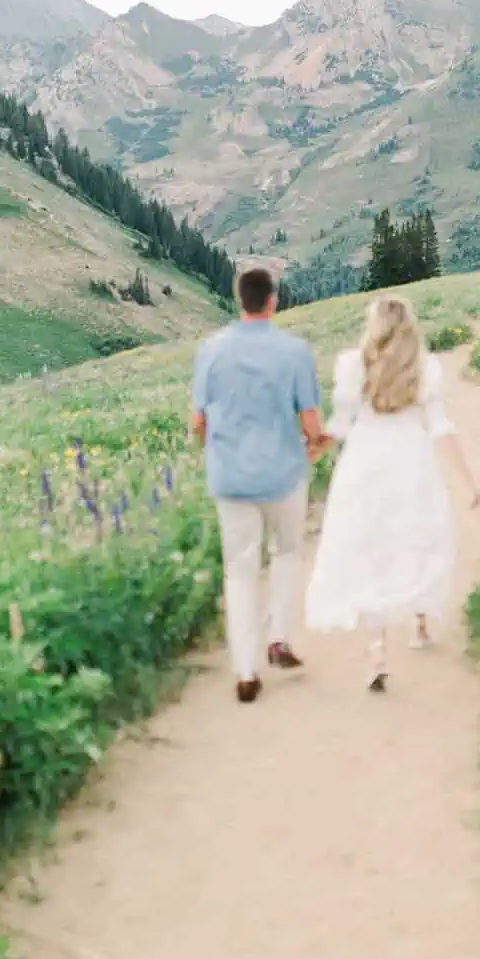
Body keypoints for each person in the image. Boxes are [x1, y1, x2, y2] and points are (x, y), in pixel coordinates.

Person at [305, 293, 480, 691]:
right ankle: (419, 623)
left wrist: (314, 448)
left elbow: (341, 425)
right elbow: (439, 427)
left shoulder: (354, 365)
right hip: (410, 460)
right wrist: (469, 480)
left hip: (364, 463)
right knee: (416, 538)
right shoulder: (424, 367)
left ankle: (376, 649)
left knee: (371, 547)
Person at [191, 265, 329, 704]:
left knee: (240, 569)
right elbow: (310, 420)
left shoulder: (210, 350)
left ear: (238, 300)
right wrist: (317, 444)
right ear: (273, 300)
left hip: (231, 476)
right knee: (287, 551)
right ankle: (279, 638)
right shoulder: (294, 351)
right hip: (283, 471)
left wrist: (214, 449)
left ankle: (245, 670)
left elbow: (198, 421)